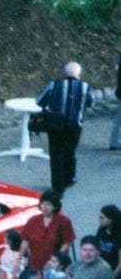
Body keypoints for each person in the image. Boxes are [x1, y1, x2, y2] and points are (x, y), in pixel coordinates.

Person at [36, 60, 92, 193]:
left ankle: (58, 187)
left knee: (56, 155)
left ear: (64, 73)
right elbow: (90, 102)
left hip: (56, 126)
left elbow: (39, 101)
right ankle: (69, 178)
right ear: (78, 74)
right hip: (75, 127)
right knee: (70, 152)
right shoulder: (85, 86)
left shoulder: (54, 84)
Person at [20, 189, 76, 273]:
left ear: (56, 206)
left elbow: (66, 244)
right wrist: (19, 257)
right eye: (43, 203)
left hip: (55, 266)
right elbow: (25, 241)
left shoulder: (64, 222)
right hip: (34, 265)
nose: (45, 207)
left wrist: (55, 259)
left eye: (49, 204)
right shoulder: (32, 221)